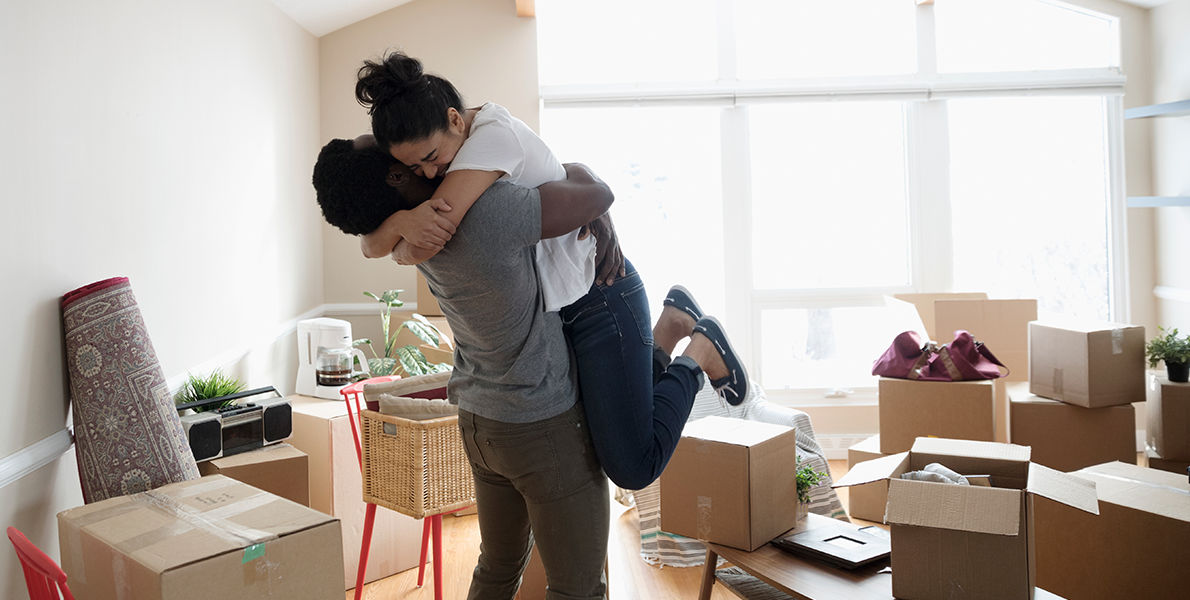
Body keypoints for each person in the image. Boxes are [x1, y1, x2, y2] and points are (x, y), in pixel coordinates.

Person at [311, 138, 743, 600]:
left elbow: (369, 242)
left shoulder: (409, 239)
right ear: (396, 175)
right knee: (577, 586)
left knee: (498, 567)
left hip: (482, 419)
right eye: (388, 149)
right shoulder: (485, 212)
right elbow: (596, 192)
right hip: (539, 422)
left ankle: (672, 337)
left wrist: (396, 219)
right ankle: (695, 354)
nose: (392, 142)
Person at [350, 51, 747, 491]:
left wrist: (398, 234)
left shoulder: (488, 141)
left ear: (455, 121)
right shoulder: (470, 145)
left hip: (600, 296)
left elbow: (426, 238)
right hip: (564, 302)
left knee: (634, 467)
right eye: (413, 168)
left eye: (430, 156)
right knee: (611, 436)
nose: (428, 173)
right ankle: (670, 327)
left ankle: (700, 353)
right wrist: (399, 224)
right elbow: (383, 242)